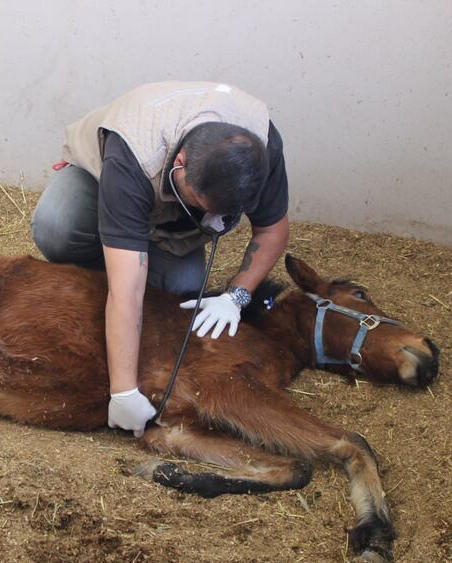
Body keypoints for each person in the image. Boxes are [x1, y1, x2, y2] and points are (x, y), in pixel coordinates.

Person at [31, 81, 290, 437]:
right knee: (57, 225)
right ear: (180, 163)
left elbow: (272, 230)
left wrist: (236, 295)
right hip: (104, 178)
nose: (214, 218)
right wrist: (123, 391)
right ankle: (107, 261)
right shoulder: (135, 154)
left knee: (179, 291)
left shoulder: (262, 146)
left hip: (169, 218)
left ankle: (145, 244)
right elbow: (127, 295)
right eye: (202, 204)